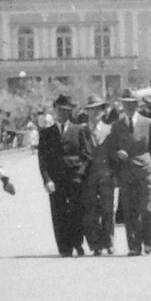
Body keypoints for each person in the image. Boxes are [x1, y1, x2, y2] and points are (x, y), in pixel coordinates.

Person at [104, 92, 151, 256]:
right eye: (125, 104)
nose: (129, 107)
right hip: (127, 171)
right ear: (122, 105)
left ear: (137, 105)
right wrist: (117, 154)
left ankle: (148, 239)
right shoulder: (117, 125)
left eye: (132, 104)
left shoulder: (148, 123)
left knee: (147, 209)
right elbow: (111, 149)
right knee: (130, 211)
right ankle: (134, 245)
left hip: (145, 170)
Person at [39, 95, 91, 257]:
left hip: (75, 177)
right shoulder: (47, 133)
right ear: (55, 111)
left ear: (70, 113)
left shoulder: (78, 130)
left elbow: (87, 155)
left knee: (77, 212)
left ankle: (77, 243)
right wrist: (47, 179)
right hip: (56, 179)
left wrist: (80, 175)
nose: (62, 114)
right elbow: (43, 159)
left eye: (65, 111)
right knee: (58, 212)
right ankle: (64, 247)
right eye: (59, 111)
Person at [81, 96, 117, 255]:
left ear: (103, 112)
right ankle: (95, 244)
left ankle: (109, 242)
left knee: (108, 210)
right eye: (91, 109)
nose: (95, 112)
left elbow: (114, 153)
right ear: (87, 112)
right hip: (88, 177)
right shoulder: (82, 130)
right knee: (90, 212)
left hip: (106, 176)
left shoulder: (110, 130)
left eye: (98, 109)